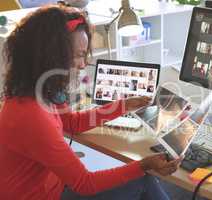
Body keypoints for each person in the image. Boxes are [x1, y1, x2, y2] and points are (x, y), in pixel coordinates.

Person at [0, 6, 181, 200]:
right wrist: (144, 165)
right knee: (143, 179)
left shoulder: (36, 91)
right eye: (78, 55)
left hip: (53, 186)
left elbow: (72, 123)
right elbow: (85, 183)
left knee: (138, 178)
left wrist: (124, 105)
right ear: (50, 57)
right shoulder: (32, 116)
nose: (83, 64)